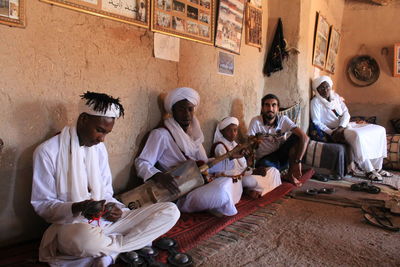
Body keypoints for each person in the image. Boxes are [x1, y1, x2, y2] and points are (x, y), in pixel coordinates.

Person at [31, 92, 180, 267]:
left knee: (170, 211)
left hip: (105, 222)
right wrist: (78, 207)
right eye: (100, 130)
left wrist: (113, 207)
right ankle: (122, 248)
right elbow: (42, 205)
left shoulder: (99, 149)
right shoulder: (47, 152)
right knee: (83, 241)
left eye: (107, 133)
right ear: (83, 119)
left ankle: (110, 250)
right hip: (72, 226)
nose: (102, 138)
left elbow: (107, 193)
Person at [135, 87, 244, 216]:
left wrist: (230, 157)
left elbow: (203, 164)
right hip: (180, 193)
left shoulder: (195, 136)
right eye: (181, 109)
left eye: (190, 109)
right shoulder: (161, 134)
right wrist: (158, 176)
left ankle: (215, 204)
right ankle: (213, 204)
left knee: (228, 182)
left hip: (199, 183)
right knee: (221, 193)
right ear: (172, 110)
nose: (186, 114)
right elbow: (142, 162)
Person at [310, 76, 392, 181]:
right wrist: (332, 132)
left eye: (327, 87)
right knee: (357, 136)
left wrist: (341, 126)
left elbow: (346, 113)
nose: (325, 90)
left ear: (330, 87)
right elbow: (316, 122)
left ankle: (378, 168)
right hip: (333, 130)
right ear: (316, 90)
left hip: (344, 125)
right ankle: (369, 170)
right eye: (321, 88)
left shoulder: (335, 97)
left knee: (380, 130)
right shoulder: (316, 102)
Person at [211, 117, 281, 199]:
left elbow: (243, 166)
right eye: (229, 130)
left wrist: (252, 168)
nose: (233, 133)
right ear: (222, 131)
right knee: (247, 181)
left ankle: (254, 190)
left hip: (244, 175)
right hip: (234, 179)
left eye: (235, 130)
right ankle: (249, 190)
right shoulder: (220, 146)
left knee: (274, 171)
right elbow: (225, 170)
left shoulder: (235, 144)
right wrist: (252, 173)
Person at [248, 94, 309, 187]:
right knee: (266, 169)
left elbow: (305, 138)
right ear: (262, 108)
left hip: (281, 156)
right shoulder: (255, 121)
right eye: (267, 105)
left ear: (278, 108)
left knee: (297, 137)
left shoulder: (283, 120)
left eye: (273, 105)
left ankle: (290, 174)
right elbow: (249, 143)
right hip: (265, 159)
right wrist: (255, 142)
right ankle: (276, 175)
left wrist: (298, 162)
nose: (270, 108)